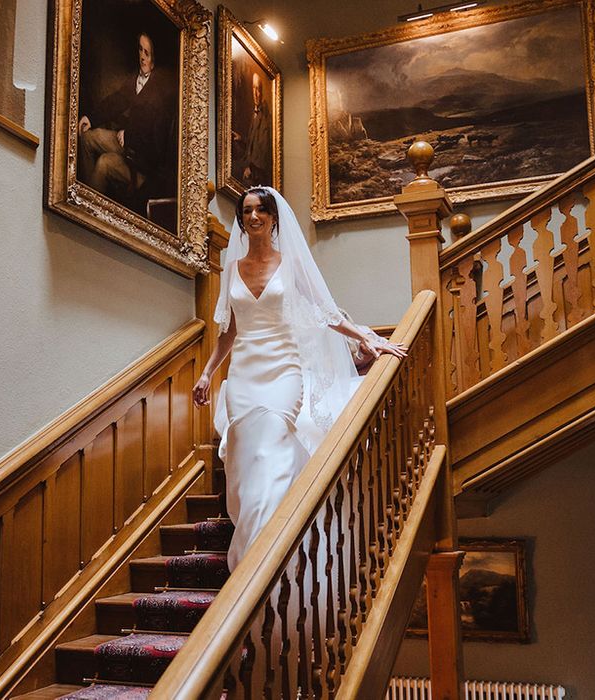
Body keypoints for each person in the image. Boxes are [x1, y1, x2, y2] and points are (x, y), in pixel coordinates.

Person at [192, 187, 405, 571]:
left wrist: (368, 338)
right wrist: (208, 373)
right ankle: (253, 532)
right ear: (242, 219)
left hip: (283, 369)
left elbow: (326, 313)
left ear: (274, 218)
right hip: (243, 372)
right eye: (247, 211)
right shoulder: (233, 268)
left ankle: (263, 554)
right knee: (243, 456)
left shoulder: (290, 264)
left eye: (261, 210)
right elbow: (228, 330)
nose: (253, 216)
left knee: (272, 438)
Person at [77, 31, 177, 209]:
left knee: (104, 163)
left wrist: (130, 136)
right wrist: (91, 118)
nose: (142, 57)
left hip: (144, 167)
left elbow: (157, 144)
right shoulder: (136, 80)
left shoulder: (162, 90)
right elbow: (117, 100)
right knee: (88, 137)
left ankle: (88, 208)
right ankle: (84, 191)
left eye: (147, 53)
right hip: (127, 147)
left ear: (155, 57)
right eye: (140, 50)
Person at [233, 73, 271, 187]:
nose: (255, 93)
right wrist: (241, 139)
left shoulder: (264, 117)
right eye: (253, 89)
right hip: (249, 162)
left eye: (258, 89)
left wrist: (251, 168)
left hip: (256, 169)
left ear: (262, 92)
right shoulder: (255, 114)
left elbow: (262, 148)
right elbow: (253, 143)